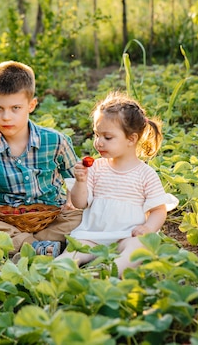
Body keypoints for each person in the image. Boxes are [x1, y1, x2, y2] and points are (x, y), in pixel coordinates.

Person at [0, 60, 82, 257]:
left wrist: (72, 199)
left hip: (51, 217)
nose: (6, 117)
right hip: (5, 219)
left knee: (84, 213)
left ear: (31, 105)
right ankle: (36, 245)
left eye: (15, 108)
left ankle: (15, 243)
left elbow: (76, 178)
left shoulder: (55, 141)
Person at [56, 91, 177, 277]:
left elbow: (158, 210)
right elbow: (80, 203)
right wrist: (81, 182)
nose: (99, 142)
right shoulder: (96, 168)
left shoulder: (146, 174)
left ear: (131, 139)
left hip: (127, 235)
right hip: (92, 235)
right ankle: (56, 270)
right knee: (72, 251)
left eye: (107, 137)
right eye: (97, 135)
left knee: (137, 248)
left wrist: (148, 228)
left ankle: (107, 273)